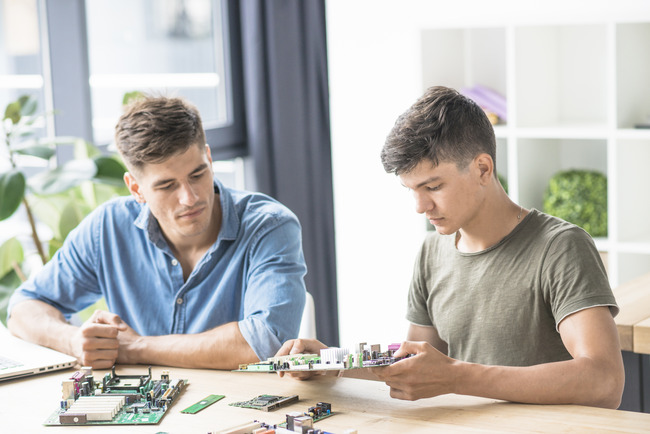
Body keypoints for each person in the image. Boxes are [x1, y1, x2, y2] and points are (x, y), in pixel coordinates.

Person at [277, 86, 624, 409]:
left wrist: (457, 376)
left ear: (482, 169)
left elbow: (605, 381)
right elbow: (416, 366)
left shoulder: (560, 248)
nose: (419, 206)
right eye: (411, 190)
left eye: (433, 186)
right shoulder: (433, 252)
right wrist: (333, 363)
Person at [8, 95, 307, 370]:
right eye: (167, 185)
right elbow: (22, 310)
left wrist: (136, 348)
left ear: (209, 158)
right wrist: (72, 340)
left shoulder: (270, 226)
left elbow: (267, 341)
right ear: (136, 188)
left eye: (197, 174)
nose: (189, 197)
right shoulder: (107, 228)